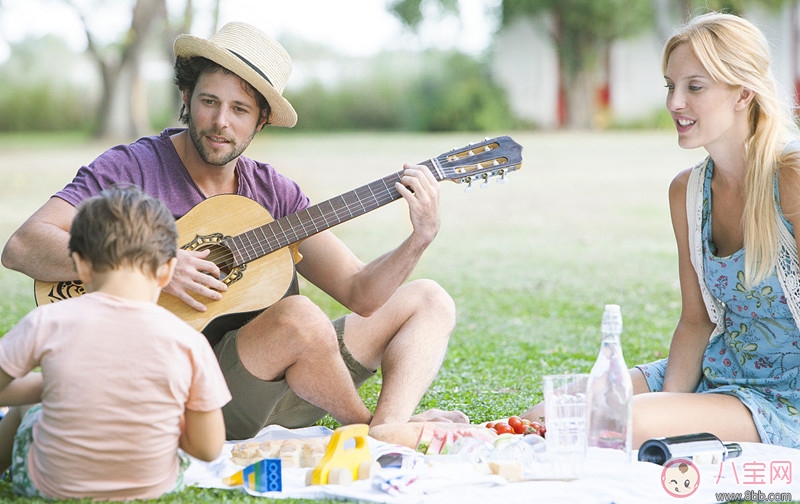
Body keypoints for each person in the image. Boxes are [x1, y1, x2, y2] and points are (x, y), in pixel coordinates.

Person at [1, 22, 465, 441]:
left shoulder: (274, 194)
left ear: (260, 120)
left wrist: (417, 239)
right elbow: (23, 246)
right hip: (191, 395)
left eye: (240, 109)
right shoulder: (132, 168)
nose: (221, 122)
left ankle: (388, 425)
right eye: (209, 102)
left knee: (429, 299)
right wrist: (151, 261)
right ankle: (366, 428)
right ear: (186, 99)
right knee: (300, 317)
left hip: (295, 383)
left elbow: (361, 293)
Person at [523, 12, 800, 449]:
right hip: (722, 367)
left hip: (786, 398)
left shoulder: (791, 175)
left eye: (695, 87)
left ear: (743, 91)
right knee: (554, 412)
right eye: (671, 86)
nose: (674, 103)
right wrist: (675, 404)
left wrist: (659, 418)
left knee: (623, 422)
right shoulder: (687, 192)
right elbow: (695, 321)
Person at [0, 185, 231, 500]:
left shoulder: (48, 321)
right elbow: (207, 448)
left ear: (81, 265)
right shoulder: (189, 343)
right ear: (166, 271)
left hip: (52, 488)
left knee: (24, 409)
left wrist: (46, 388)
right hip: (153, 489)